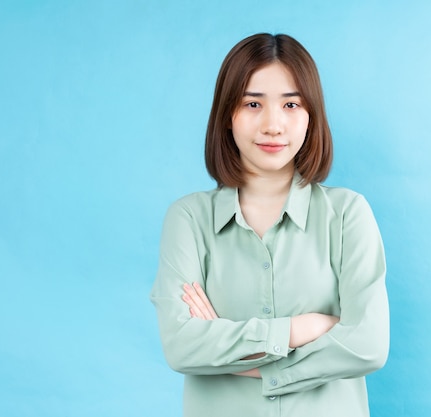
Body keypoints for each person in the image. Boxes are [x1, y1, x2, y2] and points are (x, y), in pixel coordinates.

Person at [150, 33, 389, 417]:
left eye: (291, 103)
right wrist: (303, 328)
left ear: (311, 116)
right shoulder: (189, 219)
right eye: (252, 103)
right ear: (227, 116)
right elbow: (182, 345)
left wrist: (236, 355)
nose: (273, 125)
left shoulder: (347, 214)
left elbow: (368, 346)